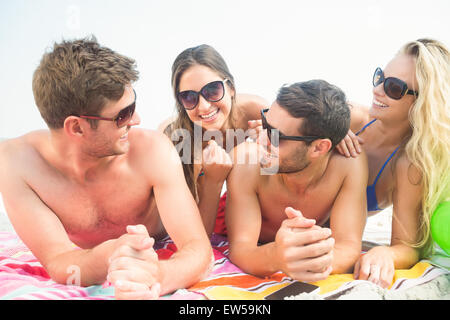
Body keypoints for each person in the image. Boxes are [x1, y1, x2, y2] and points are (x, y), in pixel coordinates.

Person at [0, 37, 213, 299]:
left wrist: (156, 276)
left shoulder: (153, 151)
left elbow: (198, 250)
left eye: (134, 103)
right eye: (122, 115)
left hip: (157, 243)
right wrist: (110, 256)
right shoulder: (18, 164)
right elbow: (57, 260)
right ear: (76, 127)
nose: (136, 119)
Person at [225, 80, 368, 281]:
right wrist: (276, 257)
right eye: (265, 124)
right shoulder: (247, 163)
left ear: (319, 148)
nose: (262, 140)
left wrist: (308, 260)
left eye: (277, 136)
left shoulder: (348, 164)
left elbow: (348, 247)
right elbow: (241, 249)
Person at [336, 39, 450, 288]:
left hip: (329, 241)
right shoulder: (351, 119)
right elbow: (281, 129)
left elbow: (407, 246)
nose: (377, 89)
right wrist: (325, 131)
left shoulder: (409, 164)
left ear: (422, 102)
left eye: (394, 88)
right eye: (380, 77)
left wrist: (385, 253)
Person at [161, 44, 268, 236]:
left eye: (212, 90)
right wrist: (212, 181)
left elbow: (283, 173)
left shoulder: (256, 110)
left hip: (247, 206)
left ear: (231, 88)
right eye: (188, 97)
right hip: (201, 214)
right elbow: (196, 233)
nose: (203, 106)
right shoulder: (175, 140)